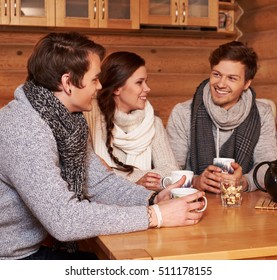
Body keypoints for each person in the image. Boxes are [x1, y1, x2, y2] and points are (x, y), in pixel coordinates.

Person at [0, 32, 206, 260]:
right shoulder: (23, 128)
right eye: (95, 79)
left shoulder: (69, 122)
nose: (100, 86)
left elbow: (99, 182)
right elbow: (65, 219)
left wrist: (151, 199)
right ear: (68, 83)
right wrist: (154, 216)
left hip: (28, 251)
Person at [166, 41, 277, 194]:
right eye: (217, 74)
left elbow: (267, 167)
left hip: (243, 206)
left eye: (232, 78)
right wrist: (196, 181)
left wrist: (244, 182)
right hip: (194, 203)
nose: (221, 84)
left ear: (246, 83)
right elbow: (170, 169)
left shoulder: (262, 113)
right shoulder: (183, 112)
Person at [84, 51, 179, 192]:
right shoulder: (89, 119)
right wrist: (135, 181)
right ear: (117, 88)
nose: (147, 88)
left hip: (143, 207)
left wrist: (117, 175)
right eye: (139, 83)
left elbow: (171, 170)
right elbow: (88, 174)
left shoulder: (153, 123)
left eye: (146, 82)